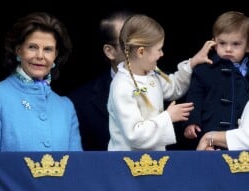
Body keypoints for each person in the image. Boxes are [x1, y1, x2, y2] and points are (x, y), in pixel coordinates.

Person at [0, 12, 82, 151]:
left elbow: (76, 166)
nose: (40, 56)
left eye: (48, 49)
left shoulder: (65, 107)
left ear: (56, 55)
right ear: (18, 51)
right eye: (32, 47)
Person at [107, 14, 215, 151]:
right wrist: (168, 117)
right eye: (159, 49)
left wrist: (193, 63)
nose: (162, 54)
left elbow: (174, 88)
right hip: (127, 164)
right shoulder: (122, 86)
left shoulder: (152, 72)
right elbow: (134, 135)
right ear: (141, 52)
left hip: (154, 161)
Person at [183, 11, 249, 149]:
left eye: (236, 44)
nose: (228, 49)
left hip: (241, 138)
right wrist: (191, 121)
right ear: (213, 42)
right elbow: (195, 96)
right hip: (210, 132)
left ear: (247, 46)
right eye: (222, 43)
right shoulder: (205, 68)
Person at [69, 10, 133, 150]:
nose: (142, 49)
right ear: (110, 51)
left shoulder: (175, 89)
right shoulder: (80, 102)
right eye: (130, 45)